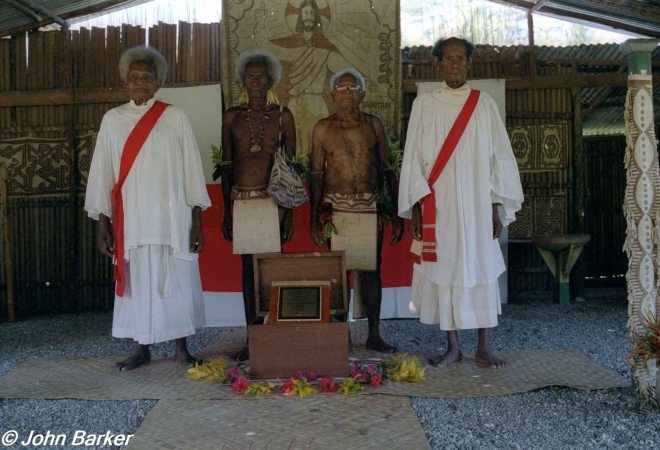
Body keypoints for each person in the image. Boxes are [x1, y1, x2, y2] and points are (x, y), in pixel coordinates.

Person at [398, 37, 523, 368]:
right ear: (437, 63)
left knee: (480, 266)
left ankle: (483, 347)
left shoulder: (484, 104)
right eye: (448, 58)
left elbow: (499, 158)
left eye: (460, 58)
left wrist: (495, 205)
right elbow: (413, 158)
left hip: (477, 202)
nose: (454, 64)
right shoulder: (424, 105)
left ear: (469, 63)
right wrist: (416, 208)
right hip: (437, 205)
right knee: (445, 268)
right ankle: (452, 346)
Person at [85, 46, 211, 371]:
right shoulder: (112, 121)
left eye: (147, 77)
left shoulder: (175, 118)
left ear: (158, 83)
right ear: (125, 82)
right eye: (135, 77)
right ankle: (141, 349)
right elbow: (103, 175)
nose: (141, 82)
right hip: (133, 221)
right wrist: (103, 225)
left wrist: (197, 222)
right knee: (138, 283)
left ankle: (182, 348)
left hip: (173, 220)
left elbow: (192, 172)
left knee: (176, 280)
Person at [310, 68, 403, 352]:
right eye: (341, 87)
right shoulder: (323, 128)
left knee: (372, 271)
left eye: (353, 87)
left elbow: (387, 169)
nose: (347, 92)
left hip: (370, 206)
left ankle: (374, 334)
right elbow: (316, 174)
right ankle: (342, 334)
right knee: (340, 274)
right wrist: (314, 219)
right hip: (336, 209)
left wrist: (397, 213)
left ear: (362, 93)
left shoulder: (373, 124)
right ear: (332, 94)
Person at [221, 51, 296, 360]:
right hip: (242, 201)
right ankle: (252, 336)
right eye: (249, 76)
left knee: (270, 271)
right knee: (247, 271)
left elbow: (291, 169)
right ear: (243, 80)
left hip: (273, 203)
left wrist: (288, 215)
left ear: (270, 80)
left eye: (260, 77)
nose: (254, 81)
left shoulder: (283, 116)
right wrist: (227, 212)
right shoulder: (232, 116)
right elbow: (226, 165)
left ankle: (273, 334)